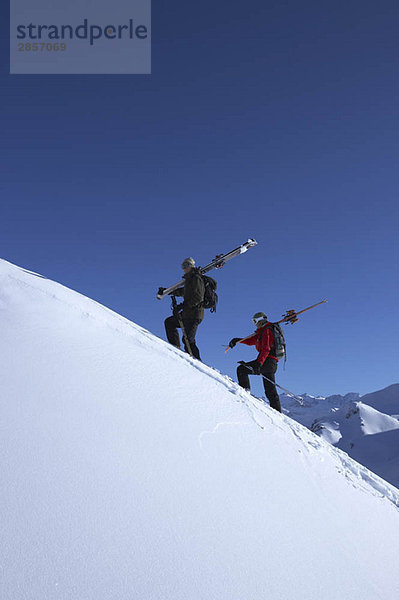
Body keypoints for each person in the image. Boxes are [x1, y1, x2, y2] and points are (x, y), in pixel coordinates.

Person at [229, 312, 282, 412]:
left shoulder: (266, 331)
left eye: (254, 321)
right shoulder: (261, 332)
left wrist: (259, 363)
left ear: (259, 320)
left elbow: (266, 349)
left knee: (242, 369)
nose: (254, 324)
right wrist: (237, 340)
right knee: (270, 390)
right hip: (270, 363)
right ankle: (278, 413)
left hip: (267, 361)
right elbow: (250, 341)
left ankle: (245, 394)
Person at [158, 257, 205, 360]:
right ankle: (176, 347)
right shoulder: (189, 280)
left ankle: (198, 362)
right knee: (169, 322)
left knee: (188, 340)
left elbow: (198, 297)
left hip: (195, 315)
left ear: (190, 266)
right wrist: (167, 291)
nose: (183, 269)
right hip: (187, 313)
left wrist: (183, 306)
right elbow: (182, 292)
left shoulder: (196, 278)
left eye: (185, 266)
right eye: (182, 266)